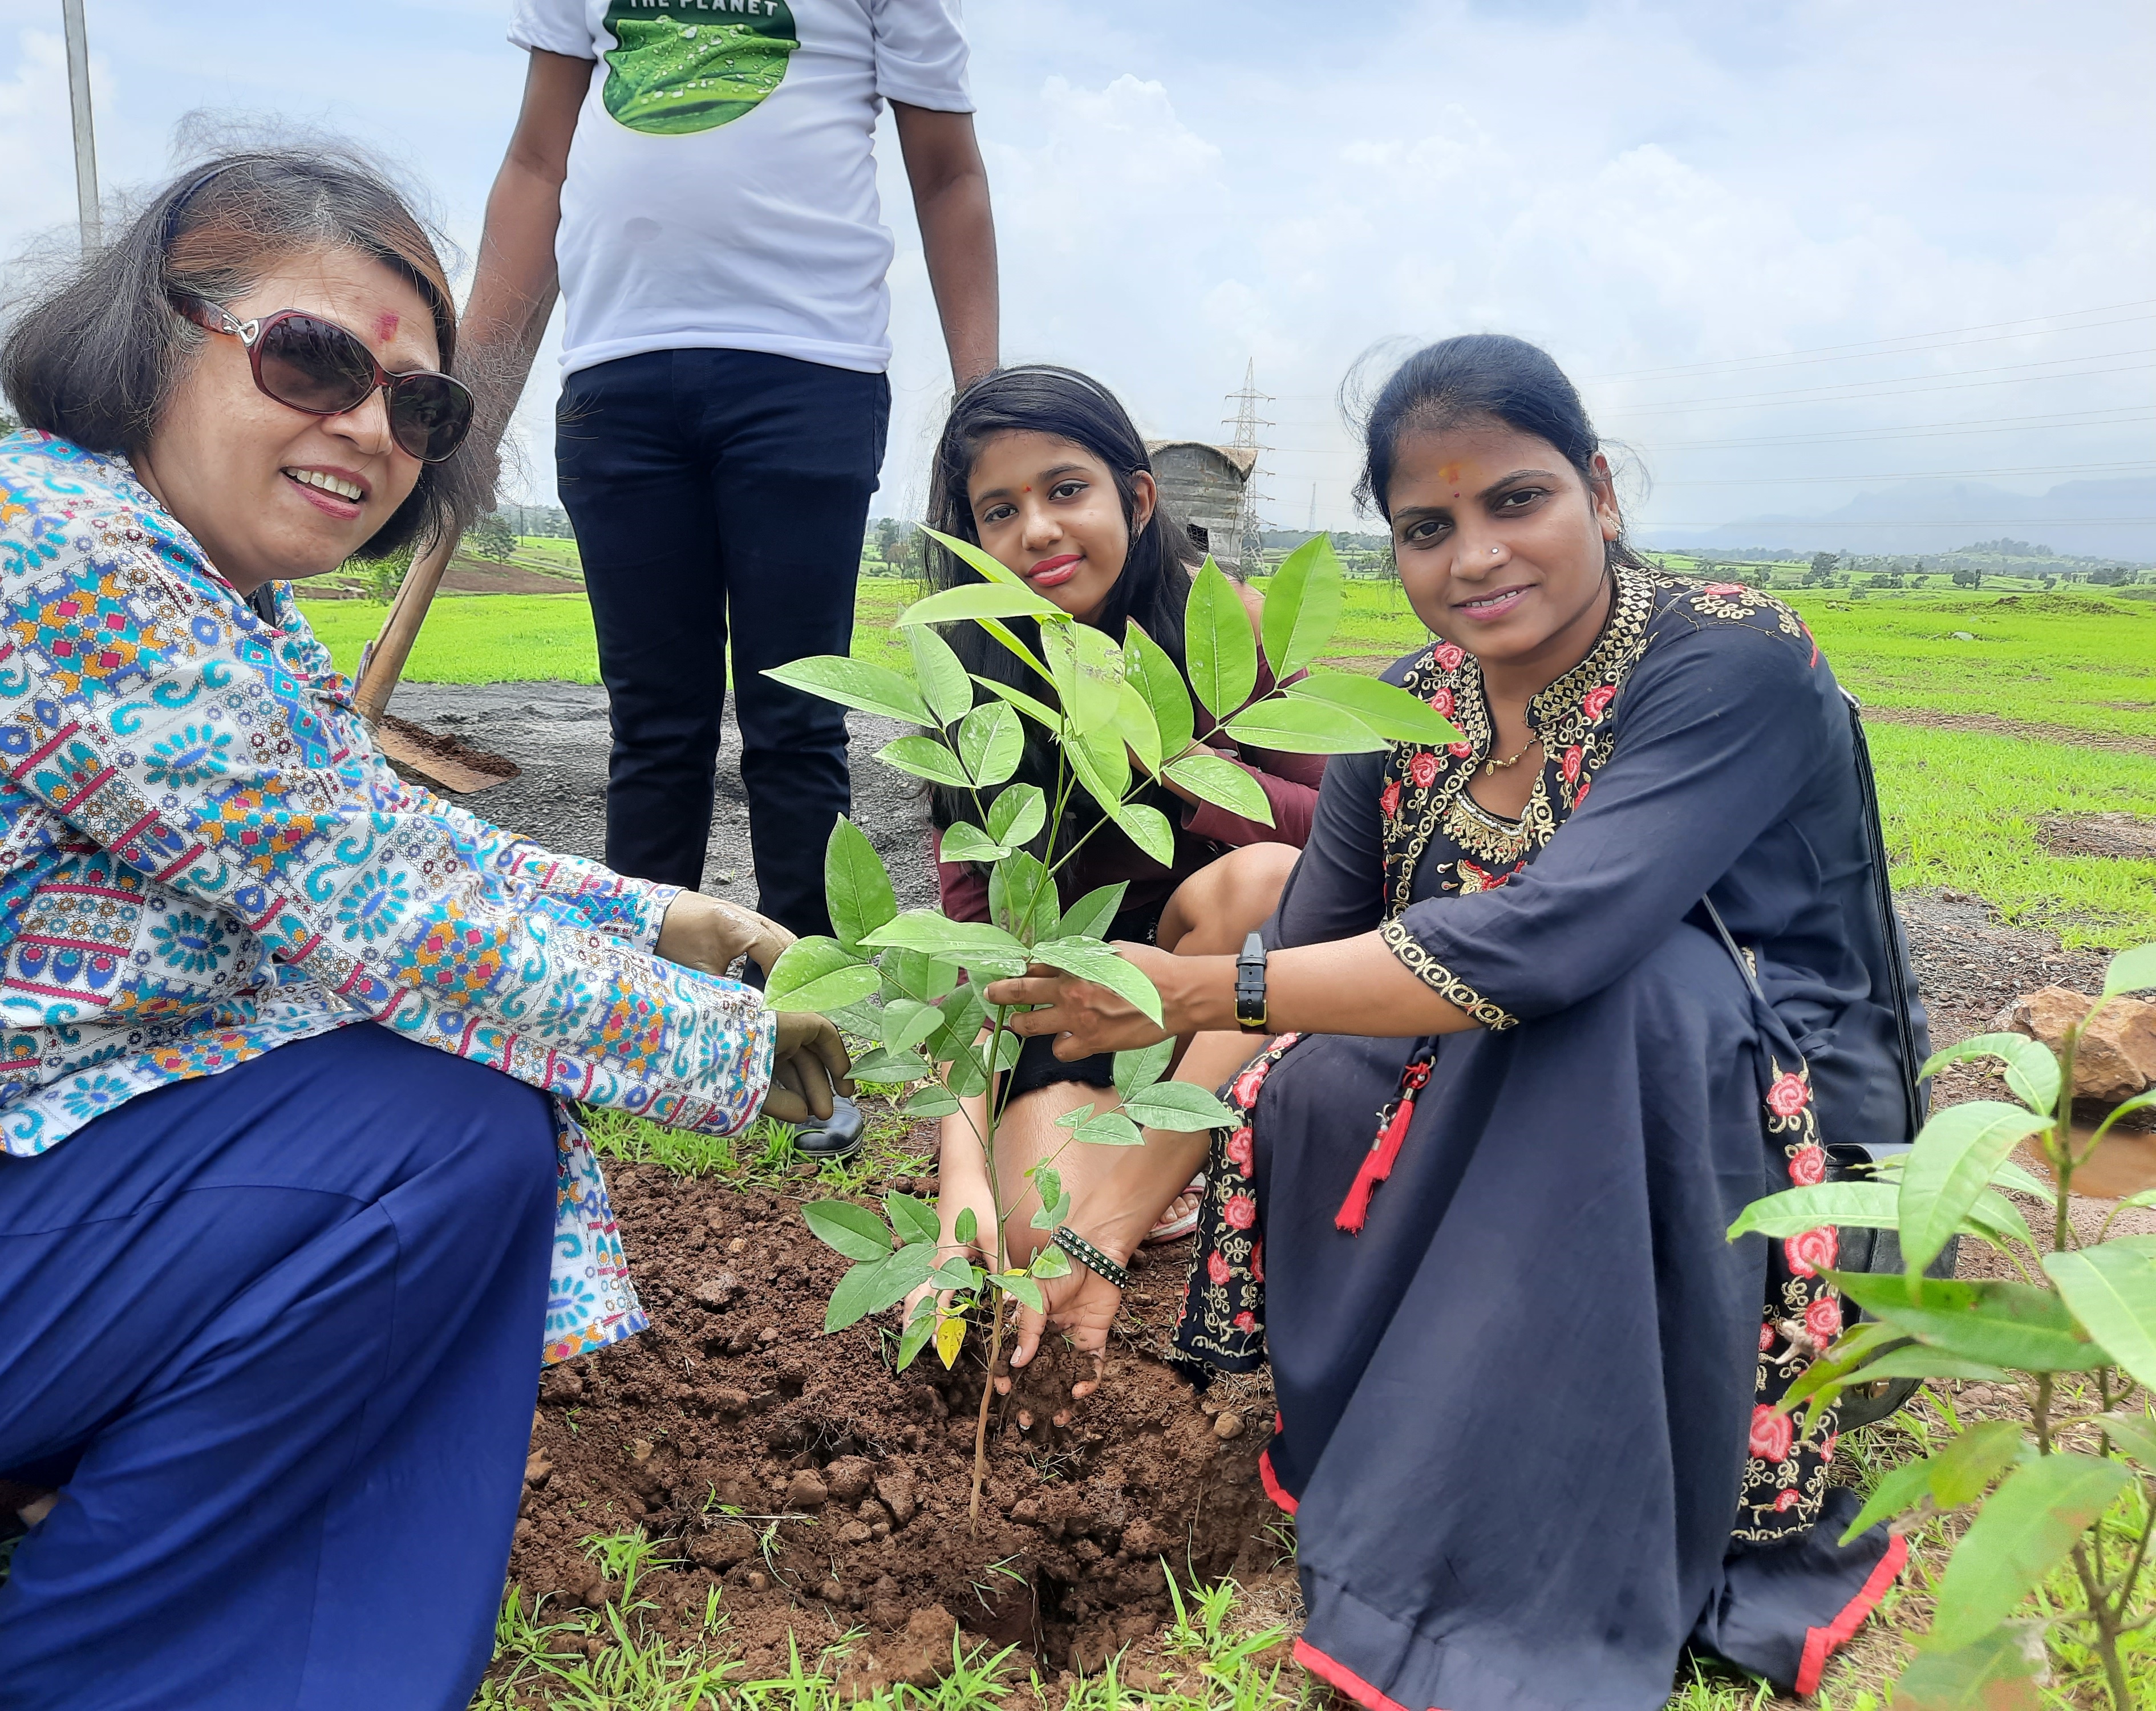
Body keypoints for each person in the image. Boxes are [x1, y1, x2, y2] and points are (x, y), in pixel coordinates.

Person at [0, 149, 848, 1711]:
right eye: (311, 359)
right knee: (432, 1132)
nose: (370, 430)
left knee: (431, 1114)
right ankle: (140, 1666)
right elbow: (377, 915)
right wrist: (731, 1048)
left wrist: (669, 919)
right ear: (152, 329)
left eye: (420, 407)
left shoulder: (203, 588)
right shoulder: (58, 559)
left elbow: (387, 840)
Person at [979, 336, 1927, 1706]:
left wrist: (1208, 981)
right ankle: (1435, 1414)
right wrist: (1100, 1233)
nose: (1475, 555)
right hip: (1539, 1078)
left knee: (1636, 988)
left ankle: (1529, 1540)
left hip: (1768, 1138)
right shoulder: (1408, 712)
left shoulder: (1731, 655)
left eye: (1515, 501)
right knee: (1312, 1084)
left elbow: (1559, 938)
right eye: (1428, 527)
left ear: (1598, 490)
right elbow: (1299, 968)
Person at [463, 1, 998, 1155]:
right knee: (652, 727)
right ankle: (634, 1045)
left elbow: (946, 174)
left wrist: (984, 403)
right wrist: (466, 408)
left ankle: (814, 1057)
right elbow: (537, 163)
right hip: (618, 381)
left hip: (810, 373)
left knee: (794, 726)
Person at [918, 367, 1322, 1265]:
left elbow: (1346, 840)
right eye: (999, 511)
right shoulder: (971, 682)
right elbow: (975, 956)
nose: (1039, 529)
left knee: (1264, 880)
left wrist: (1179, 770)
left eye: (1066, 490)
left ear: (1137, 499)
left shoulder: (1223, 627)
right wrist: (960, 1195)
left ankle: (1175, 1159)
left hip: (1218, 984)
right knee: (1034, 1229)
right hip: (1075, 995)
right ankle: (1180, 1155)